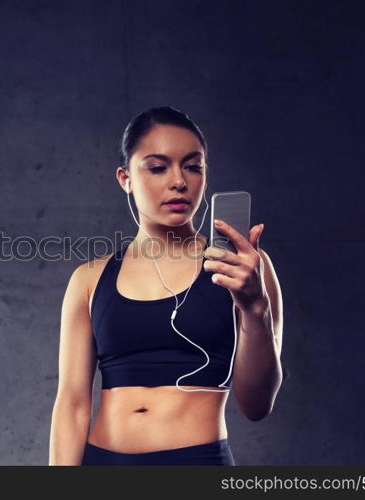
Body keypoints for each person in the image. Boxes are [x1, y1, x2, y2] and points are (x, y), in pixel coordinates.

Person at [49, 106, 283, 465]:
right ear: (125, 178)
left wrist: (255, 310)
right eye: (158, 167)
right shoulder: (89, 279)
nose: (179, 182)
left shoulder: (243, 268)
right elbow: (72, 403)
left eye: (193, 166)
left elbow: (257, 406)